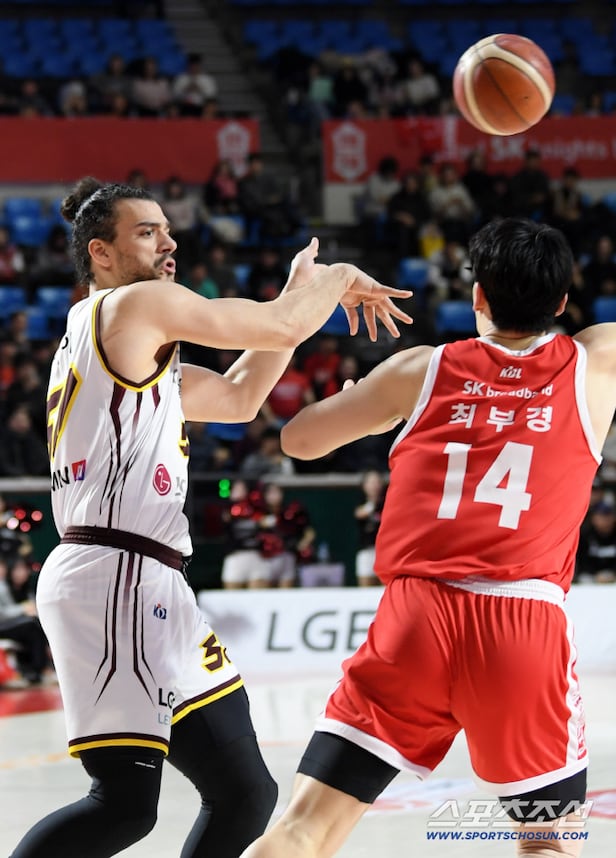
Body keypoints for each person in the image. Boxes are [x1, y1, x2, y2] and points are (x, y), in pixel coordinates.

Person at [10, 176, 410, 858]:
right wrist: (338, 278)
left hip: (142, 577)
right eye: (147, 233)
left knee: (244, 793)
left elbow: (239, 396)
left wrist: (297, 294)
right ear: (100, 253)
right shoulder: (134, 305)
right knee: (124, 805)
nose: (169, 243)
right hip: (117, 576)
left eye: (168, 230)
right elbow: (281, 325)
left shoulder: (117, 337)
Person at [240, 217, 605, 858]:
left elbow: (298, 440)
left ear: (477, 296)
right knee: (548, 844)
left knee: (302, 831)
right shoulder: (597, 364)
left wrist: (366, 405)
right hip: (522, 620)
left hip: (416, 618)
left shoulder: (418, 370)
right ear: (562, 303)